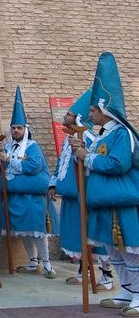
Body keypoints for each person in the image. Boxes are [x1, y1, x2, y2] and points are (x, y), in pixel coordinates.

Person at [72, 52, 139, 316]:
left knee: (131, 249)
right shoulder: (103, 135)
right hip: (104, 201)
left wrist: (87, 157)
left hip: (122, 202)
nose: (89, 114)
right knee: (114, 251)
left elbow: (118, 164)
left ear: (105, 110)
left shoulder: (122, 133)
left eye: (92, 110)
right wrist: (81, 152)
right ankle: (125, 290)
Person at [48, 89, 114, 291]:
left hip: (84, 194)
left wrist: (81, 154)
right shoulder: (69, 139)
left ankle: (107, 275)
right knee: (78, 234)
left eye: (68, 114)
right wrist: (53, 183)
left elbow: (90, 160)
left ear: (77, 117)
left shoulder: (88, 138)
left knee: (93, 233)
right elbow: (62, 162)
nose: (64, 116)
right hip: (70, 195)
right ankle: (82, 271)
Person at [0, 87, 56, 278]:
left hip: (32, 198)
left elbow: (33, 166)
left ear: (25, 129)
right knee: (24, 232)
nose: (15, 131)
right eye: (13, 128)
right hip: (15, 198)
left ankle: (47, 263)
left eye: (19, 128)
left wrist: (9, 160)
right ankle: (33, 261)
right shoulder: (7, 146)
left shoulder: (33, 146)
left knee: (37, 231)